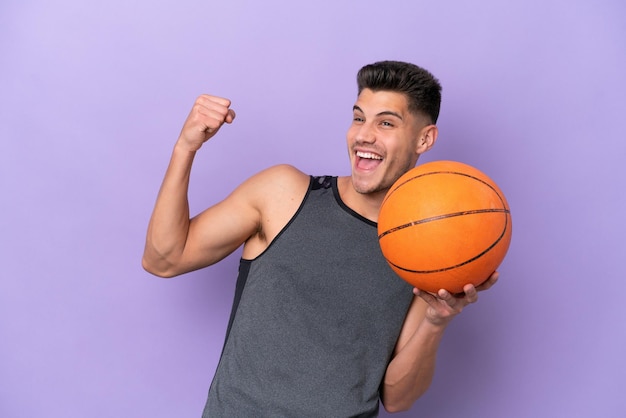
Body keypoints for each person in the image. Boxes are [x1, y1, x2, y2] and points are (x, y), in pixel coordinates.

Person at [142, 60, 498, 417]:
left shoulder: (428, 251)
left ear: (425, 139)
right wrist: (185, 149)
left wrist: (437, 322)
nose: (364, 135)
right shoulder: (284, 194)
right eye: (359, 118)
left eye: (386, 123)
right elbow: (163, 259)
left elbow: (397, 398)